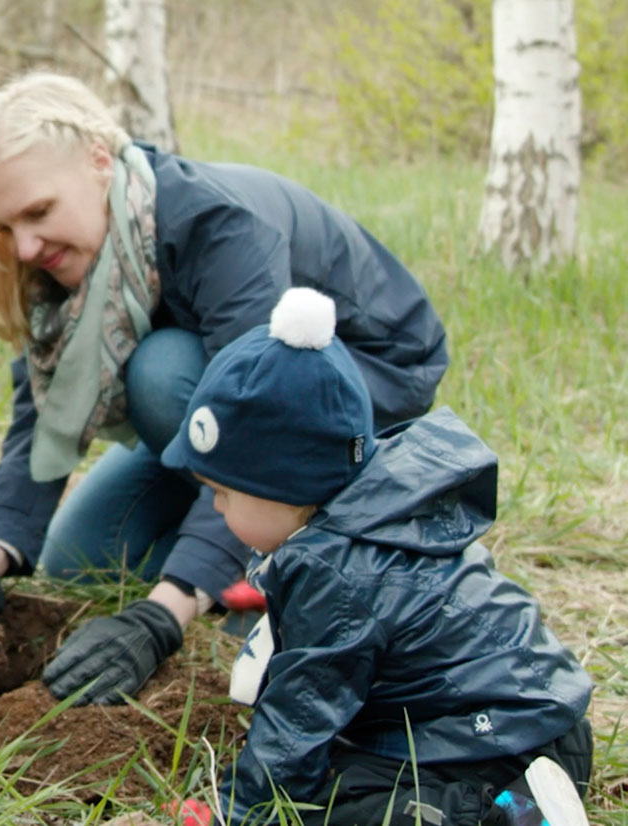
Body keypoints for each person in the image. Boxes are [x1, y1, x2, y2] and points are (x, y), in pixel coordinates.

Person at [0, 71, 449, 707]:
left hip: (361, 381)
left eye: (38, 212)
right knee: (82, 555)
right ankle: (238, 550)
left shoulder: (216, 224)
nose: (23, 246)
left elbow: (261, 418)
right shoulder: (72, 256)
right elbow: (42, 414)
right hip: (217, 404)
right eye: (5, 228)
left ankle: (297, 559)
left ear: (99, 161)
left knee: (161, 372)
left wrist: (164, 612)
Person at [153, 288, 593, 826]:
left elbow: (300, 718)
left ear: (286, 487)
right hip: (531, 718)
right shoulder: (372, 512)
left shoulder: (337, 571)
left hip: (500, 751)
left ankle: (512, 817)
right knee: (338, 769)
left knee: (323, 811)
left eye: (223, 493)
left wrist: (236, 812)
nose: (215, 507)